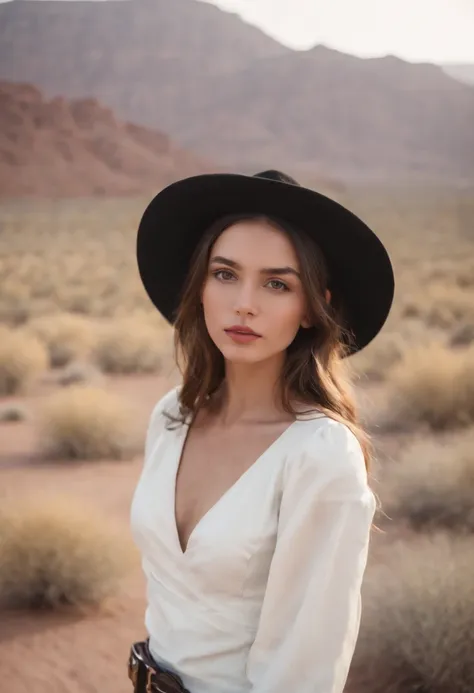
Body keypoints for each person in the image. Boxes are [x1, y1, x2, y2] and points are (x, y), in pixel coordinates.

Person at [128, 170, 395, 693]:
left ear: (311, 309)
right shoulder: (171, 417)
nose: (244, 303)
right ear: (200, 287)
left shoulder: (320, 454)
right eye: (225, 274)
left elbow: (305, 666)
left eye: (277, 283)